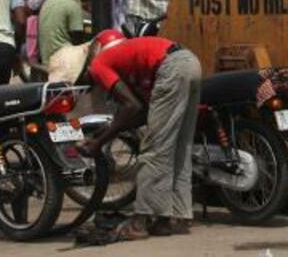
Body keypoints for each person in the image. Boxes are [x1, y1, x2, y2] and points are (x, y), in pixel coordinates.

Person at [80, 29, 202, 240]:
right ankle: (172, 218)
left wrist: (99, 141)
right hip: (189, 62)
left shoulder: (98, 65)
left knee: (154, 148)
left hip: (171, 68)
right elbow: (144, 112)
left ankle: (140, 222)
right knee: (179, 147)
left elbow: (132, 106)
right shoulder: (126, 58)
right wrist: (108, 131)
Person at [38, 0, 86, 79]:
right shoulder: (72, 5)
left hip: (46, 63)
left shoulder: (47, 3)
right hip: (64, 66)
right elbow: (78, 43)